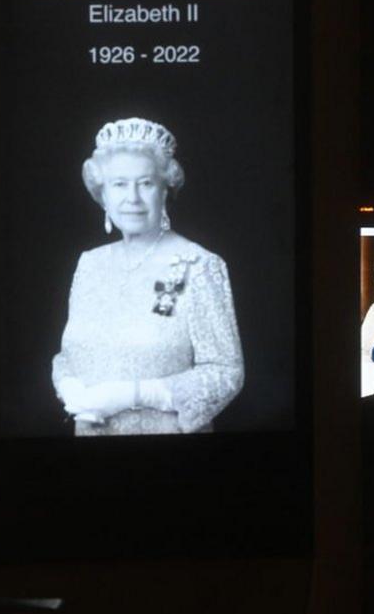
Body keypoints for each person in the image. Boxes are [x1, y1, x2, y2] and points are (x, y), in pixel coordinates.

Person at [52, 117, 244, 436]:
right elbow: (67, 356)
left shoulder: (198, 264)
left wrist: (136, 394)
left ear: (165, 188)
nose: (133, 198)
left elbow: (226, 373)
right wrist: (68, 387)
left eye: (145, 183)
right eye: (119, 184)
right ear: (103, 193)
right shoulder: (89, 263)